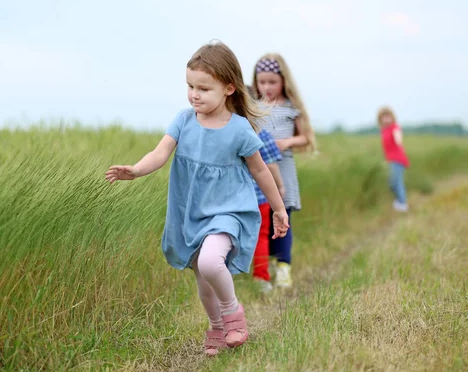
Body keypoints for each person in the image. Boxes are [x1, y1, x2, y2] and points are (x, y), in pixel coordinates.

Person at [106, 42, 289, 356]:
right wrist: (136, 170)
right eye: (190, 86)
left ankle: (234, 316)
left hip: (229, 210)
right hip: (192, 212)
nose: (194, 94)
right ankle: (217, 326)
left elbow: (260, 171)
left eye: (204, 88)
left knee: (209, 261)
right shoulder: (183, 120)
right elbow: (160, 153)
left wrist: (278, 209)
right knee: (204, 283)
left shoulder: (239, 129)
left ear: (229, 88)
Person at [251, 53, 316, 289]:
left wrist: (287, 142)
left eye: (272, 82)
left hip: (284, 168)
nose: (267, 87)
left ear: (283, 82)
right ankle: (262, 269)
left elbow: (306, 138)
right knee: (261, 220)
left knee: (283, 216)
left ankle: (283, 267)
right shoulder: (252, 107)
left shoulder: (291, 108)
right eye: (262, 82)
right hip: (259, 169)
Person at [252, 129, 286, 293]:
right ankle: (260, 277)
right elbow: (271, 165)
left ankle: (227, 278)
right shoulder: (261, 134)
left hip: (234, 197)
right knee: (260, 236)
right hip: (260, 196)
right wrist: (280, 186)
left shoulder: (226, 127)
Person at [377, 106, 410, 212]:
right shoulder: (383, 130)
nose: (386, 119)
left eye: (388, 116)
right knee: (391, 183)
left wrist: (398, 138)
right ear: (380, 118)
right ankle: (399, 201)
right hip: (390, 160)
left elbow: (398, 137)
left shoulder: (394, 127)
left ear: (392, 117)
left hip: (398, 159)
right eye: (384, 117)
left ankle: (402, 203)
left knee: (397, 181)